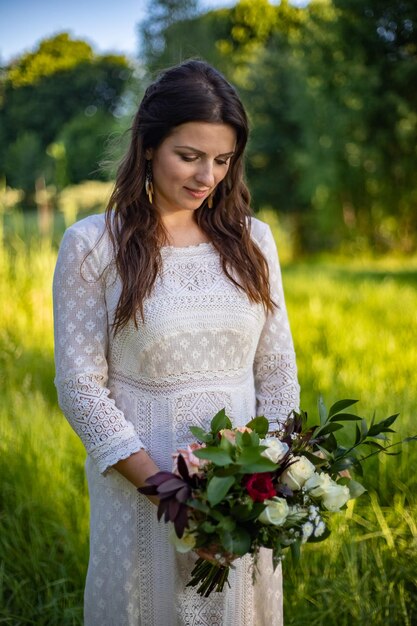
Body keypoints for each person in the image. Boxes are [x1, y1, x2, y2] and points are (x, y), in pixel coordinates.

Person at [53, 59, 300, 626]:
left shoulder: (252, 240)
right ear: (146, 145)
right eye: (188, 156)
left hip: (243, 496)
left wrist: (266, 481)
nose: (206, 176)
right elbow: (79, 389)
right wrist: (172, 496)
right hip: (143, 490)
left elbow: (277, 371)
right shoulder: (93, 245)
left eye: (222, 160)